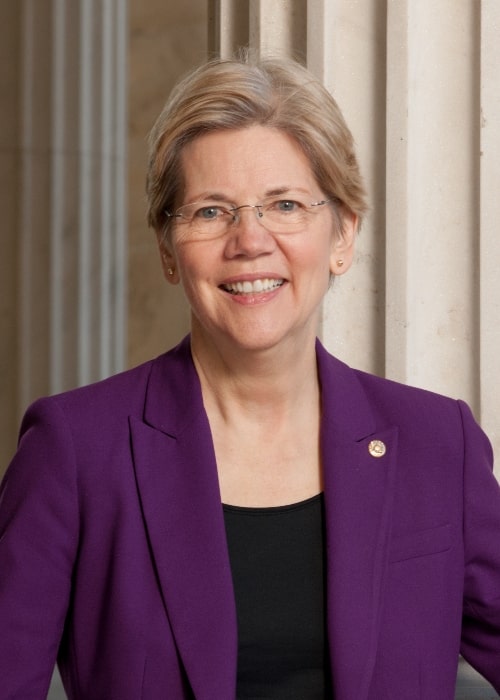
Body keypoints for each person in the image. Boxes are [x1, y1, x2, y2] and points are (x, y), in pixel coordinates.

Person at [1, 53, 499, 700]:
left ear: (342, 234)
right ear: (167, 251)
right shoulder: (76, 450)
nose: (250, 240)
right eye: (211, 212)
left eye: (285, 204)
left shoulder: (438, 444)